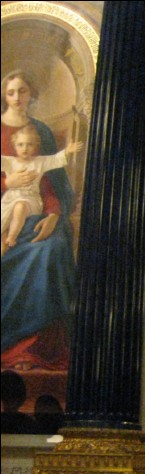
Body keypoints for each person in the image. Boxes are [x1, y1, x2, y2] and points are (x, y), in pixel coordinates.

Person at [1, 70, 77, 371]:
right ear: (4, 95)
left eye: (23, 91)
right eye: (11, 92)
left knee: (52, 248)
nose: (17, 97)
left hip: (36, 210)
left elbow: (54, 181)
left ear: (31, 95)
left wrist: (54, 214)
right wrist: (8, 183)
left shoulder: (42, 132)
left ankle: (32, 349)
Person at [2, 125, 83, 255]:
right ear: (14, 146)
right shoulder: (10, 162)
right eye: (20, 144)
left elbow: (55, 160)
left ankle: (12, 236)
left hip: (30, 200)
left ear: (36, 147)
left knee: (20, 207)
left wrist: (67, 151)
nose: (25, 148)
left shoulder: (40, 162)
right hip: (10, 198)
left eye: (29, 145)